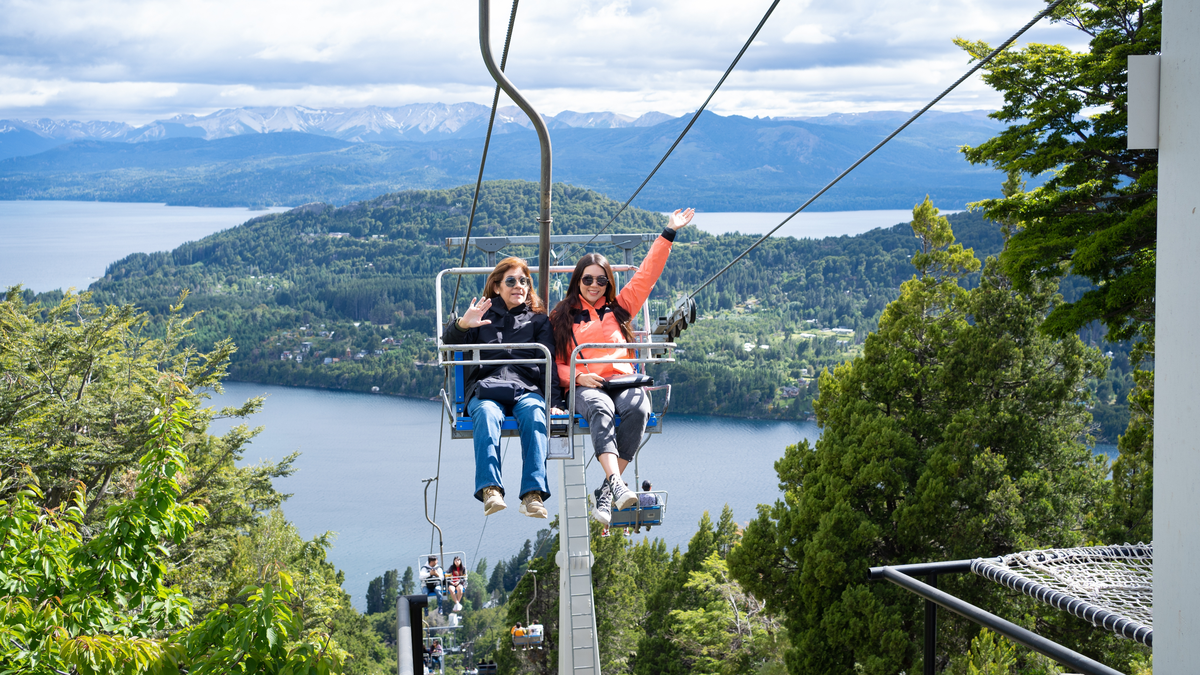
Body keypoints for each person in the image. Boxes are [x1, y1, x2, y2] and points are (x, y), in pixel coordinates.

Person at [550, 208, 694, 525]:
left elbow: (646, 275)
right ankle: (615, 484)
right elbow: (553, 364)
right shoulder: (561, 317)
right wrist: (576, 376)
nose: (595, 285)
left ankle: (608, 489)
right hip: (588, 386)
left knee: (639, 408)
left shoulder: (619, 309)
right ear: (578, 280)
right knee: (601, 409)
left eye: (601, 280)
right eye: (588, 279)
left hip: (624, 382)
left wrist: (669, 232)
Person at [444, 257, 566, 518]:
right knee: (487, 415)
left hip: (525, 388)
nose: (518, 286)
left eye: (524, 281)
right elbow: (450, 342)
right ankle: (491, 489)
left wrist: (555, 401)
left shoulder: (538, 321)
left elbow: (549, 364)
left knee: (535, 415)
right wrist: (463, 324)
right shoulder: (481, 317)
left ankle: (533, 493)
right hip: (487, 387)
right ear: (497, 286)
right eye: (511, 281)